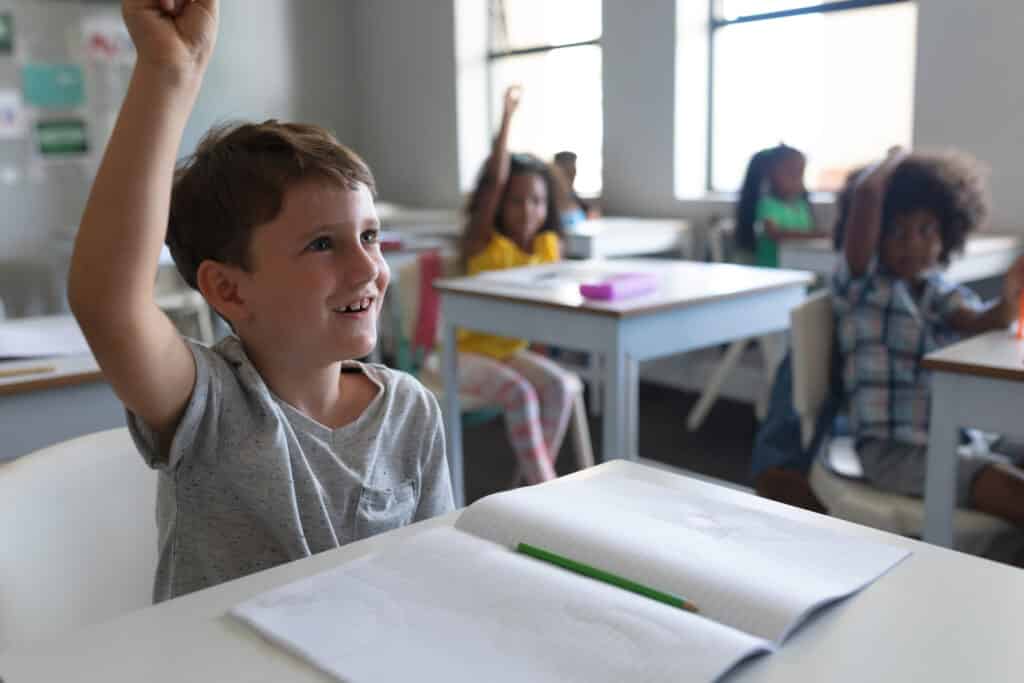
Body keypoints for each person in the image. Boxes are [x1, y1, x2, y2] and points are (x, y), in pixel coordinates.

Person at [67, 0, 452, 602]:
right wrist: (169, 73)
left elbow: (433, 576)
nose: (367, 269)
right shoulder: (210, 405)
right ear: (228, 289)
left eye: (369, 236)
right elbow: (107, 303)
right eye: (323, 244)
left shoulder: (410, 410)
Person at [834, 147, 1024, 526]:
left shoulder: (937, 289)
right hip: (893, 452)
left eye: (926, 230)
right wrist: (893, 160)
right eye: (898, 232)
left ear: (946, 234)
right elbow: (870, 194)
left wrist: (1010, 296)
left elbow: (979, 321)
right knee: (1011, 490)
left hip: (956, 435)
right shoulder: (862, 286)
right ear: (876, 236)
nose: (913, 244)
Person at [458, 86, 583, 485]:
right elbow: (494, 183)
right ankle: (545, 486)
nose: (528, 210)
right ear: (498, 205)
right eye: (516, 201)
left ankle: (530, 483)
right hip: (459, 356)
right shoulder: (484, 241)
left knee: (562, 385)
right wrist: (508, 117)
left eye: (536, 202)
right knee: (523, 394)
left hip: (507, 353)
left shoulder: (549, 245)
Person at [735, 144, 827, 266]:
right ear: (770, 175)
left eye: (799, 174)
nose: (796, 180)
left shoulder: (801, 206)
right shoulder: (767, 205)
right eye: (791, 174)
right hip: (773, 270)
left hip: (799, 267)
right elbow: (775, 233)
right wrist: (817, 235)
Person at [553, 150, 598, 229]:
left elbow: (590, 210)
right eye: (569, 168)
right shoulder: (551, 194)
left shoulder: (571, 193)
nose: (574, 172)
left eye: (574, 168)